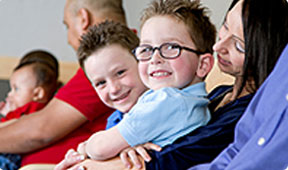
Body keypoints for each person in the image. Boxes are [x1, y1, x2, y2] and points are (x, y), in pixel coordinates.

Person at [73, 0, 215, 163]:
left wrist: (85, 147)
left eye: (170, 47)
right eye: (147, 49)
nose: (155, 58)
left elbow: (100, 148)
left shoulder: (169, 101)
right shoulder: (185, 103)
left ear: (202, 65)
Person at [0, 0, 130, 167]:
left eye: (67, 26)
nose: (69, 39)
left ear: (83, 19)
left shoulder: (107, 62)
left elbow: (41, 130)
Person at [188, 0, 288, 169]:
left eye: (238, 46)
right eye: (225, 25)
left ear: (265, 54)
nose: (218, 46)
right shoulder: (220, 92)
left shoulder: (242, 112)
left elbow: (178, 156)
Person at [54, 20, 149, 170]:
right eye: (100, 83)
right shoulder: (114, 121)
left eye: (120, 73)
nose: (113, 89)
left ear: (142, 60)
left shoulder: (164, 105)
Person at [0, 50, 59, 170]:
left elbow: (19, 126)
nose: (10, 94)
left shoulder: (35, 109)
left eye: (16, 89)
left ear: (37, 93)